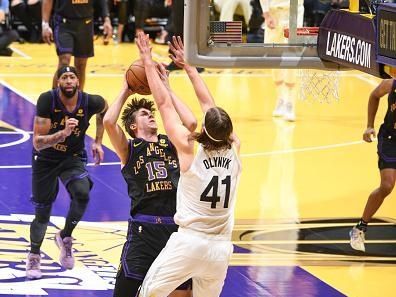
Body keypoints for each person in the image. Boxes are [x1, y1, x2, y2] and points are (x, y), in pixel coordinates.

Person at [137, 33, 242, 297]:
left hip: (190, 242)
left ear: (205, 128)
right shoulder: (235, 148)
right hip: (220, 250)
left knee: (148, 293)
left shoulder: (189, 149)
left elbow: (162, 104)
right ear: (228, 131)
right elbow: (210, 106)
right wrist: (190, 68)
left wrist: (148, 62)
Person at [103, 64, 196, 296]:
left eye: (151, 113)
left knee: (182, 293)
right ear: (133, 126)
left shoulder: (171, 143)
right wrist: (126, 89)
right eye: (145, 114)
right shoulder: (130, 149)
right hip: (143, 231)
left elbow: (189, 124)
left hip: (175, 230)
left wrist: (166, 87)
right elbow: (108, 123)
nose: (151, 115)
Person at [25, 66, 108, 279]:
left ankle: (65, 237)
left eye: (72, 77)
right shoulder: (47, 100)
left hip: (72, 157)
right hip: (45, 160)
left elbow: (105, 109)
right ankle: (34, 254)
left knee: (82, 193)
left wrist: (98, 141)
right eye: (64, 77)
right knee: (42, 215)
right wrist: (64, 133)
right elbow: (38, 142)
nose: (69, 80)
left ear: (78, 82)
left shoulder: (90, 101)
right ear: (58, 82)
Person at [350, 79, 396, 252]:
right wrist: (369, 125)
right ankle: (360, 227)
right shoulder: (390, 85)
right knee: (387, 185)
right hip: (390, 138)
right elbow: (374, 95)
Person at [41, 0, 112, 90]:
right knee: (64, 60)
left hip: (85, 23)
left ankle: (79, 98)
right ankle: (54, 96)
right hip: (64, 23)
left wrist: (106, 19)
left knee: (81, 64)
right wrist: (45, 24)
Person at [259, 0, 304, 121]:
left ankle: (290, 102)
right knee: (274, 56)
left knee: (292, 56)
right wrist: (267, 14)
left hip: (294, 11)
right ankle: (281, 98)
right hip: (274, 12)